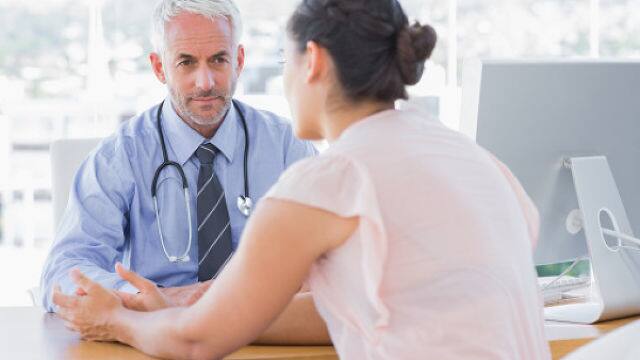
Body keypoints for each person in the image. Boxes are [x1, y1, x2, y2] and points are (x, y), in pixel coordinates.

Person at [53, 0, 551, 358]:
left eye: (285, 62)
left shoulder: (327, 179)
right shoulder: (475, 157)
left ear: (311, 62)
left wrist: (117, 318)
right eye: (187, 63)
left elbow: (197, 339)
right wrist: (182, 306)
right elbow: (337, 310)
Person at [40, 0, 325, 342]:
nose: (204, 82)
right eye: (186, 63)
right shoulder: (121, 155)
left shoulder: (286, 145)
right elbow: (63, 271)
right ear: (159, 68)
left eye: (218, 60)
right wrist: (153, 301)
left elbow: (330, 265)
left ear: (239, 60)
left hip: (263, 335)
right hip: (155, 338)